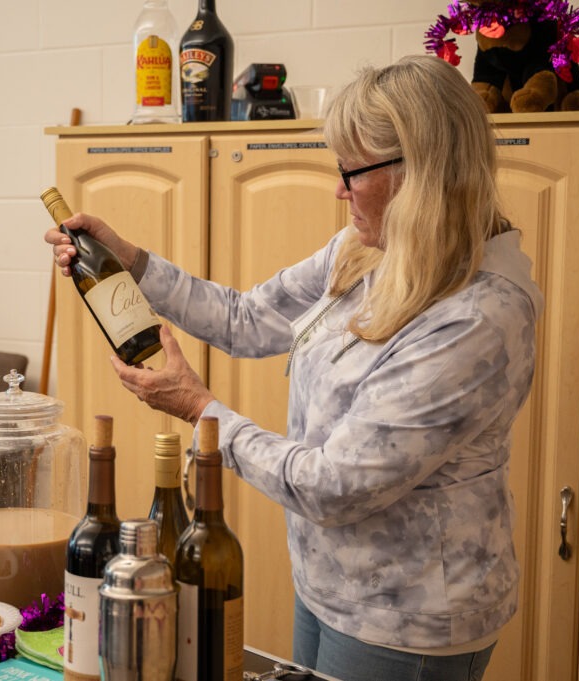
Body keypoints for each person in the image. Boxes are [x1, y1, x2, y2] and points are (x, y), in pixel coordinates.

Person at [45, 54, 543, 681]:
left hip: (408, 620)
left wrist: (200, 411)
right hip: (325, 583)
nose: (339, 190)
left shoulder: (479, 317)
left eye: (351, 171)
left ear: (419, 173)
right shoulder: (368, 248)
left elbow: (334, 485)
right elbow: (246, 318)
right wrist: (130, 260)